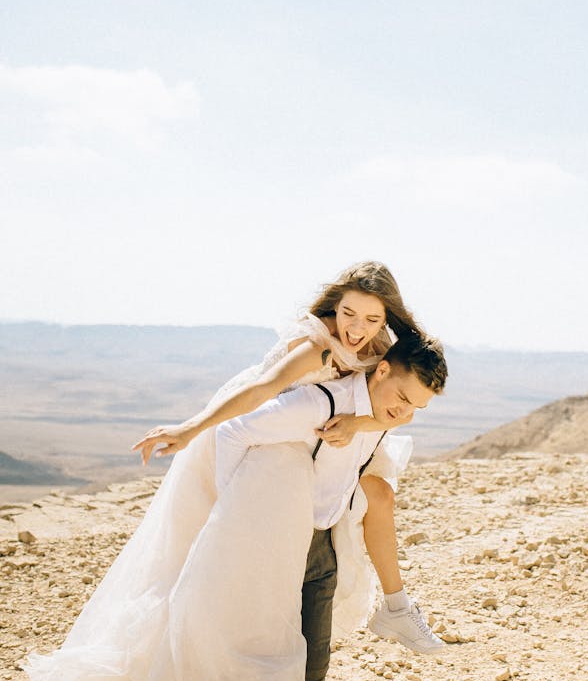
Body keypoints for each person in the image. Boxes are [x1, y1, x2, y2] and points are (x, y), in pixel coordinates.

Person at [157, 330, 448, 681]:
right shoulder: (320, 402)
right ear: (381, 371)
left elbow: (362, 466)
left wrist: (370, 425)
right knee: (242, 648)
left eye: (417, 406)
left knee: (313, 664)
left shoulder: (377, 415)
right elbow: (233, 432)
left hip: (320, 547)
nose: (404, 413)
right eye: (402, 397)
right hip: (269, 544)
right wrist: (238, 510)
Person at [133, 261, 442, 656]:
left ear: (386, 319)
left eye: (371, 319)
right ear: (335, 305)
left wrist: (357, 423)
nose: (357, 328)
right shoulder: (316, 348)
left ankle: (397, 608)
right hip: (263, 428)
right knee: (212, 564)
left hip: (321, 432)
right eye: (348, 313)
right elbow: (260, 391)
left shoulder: (382, 349)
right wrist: (190, 429)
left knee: (380, 495)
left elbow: (409, 405)